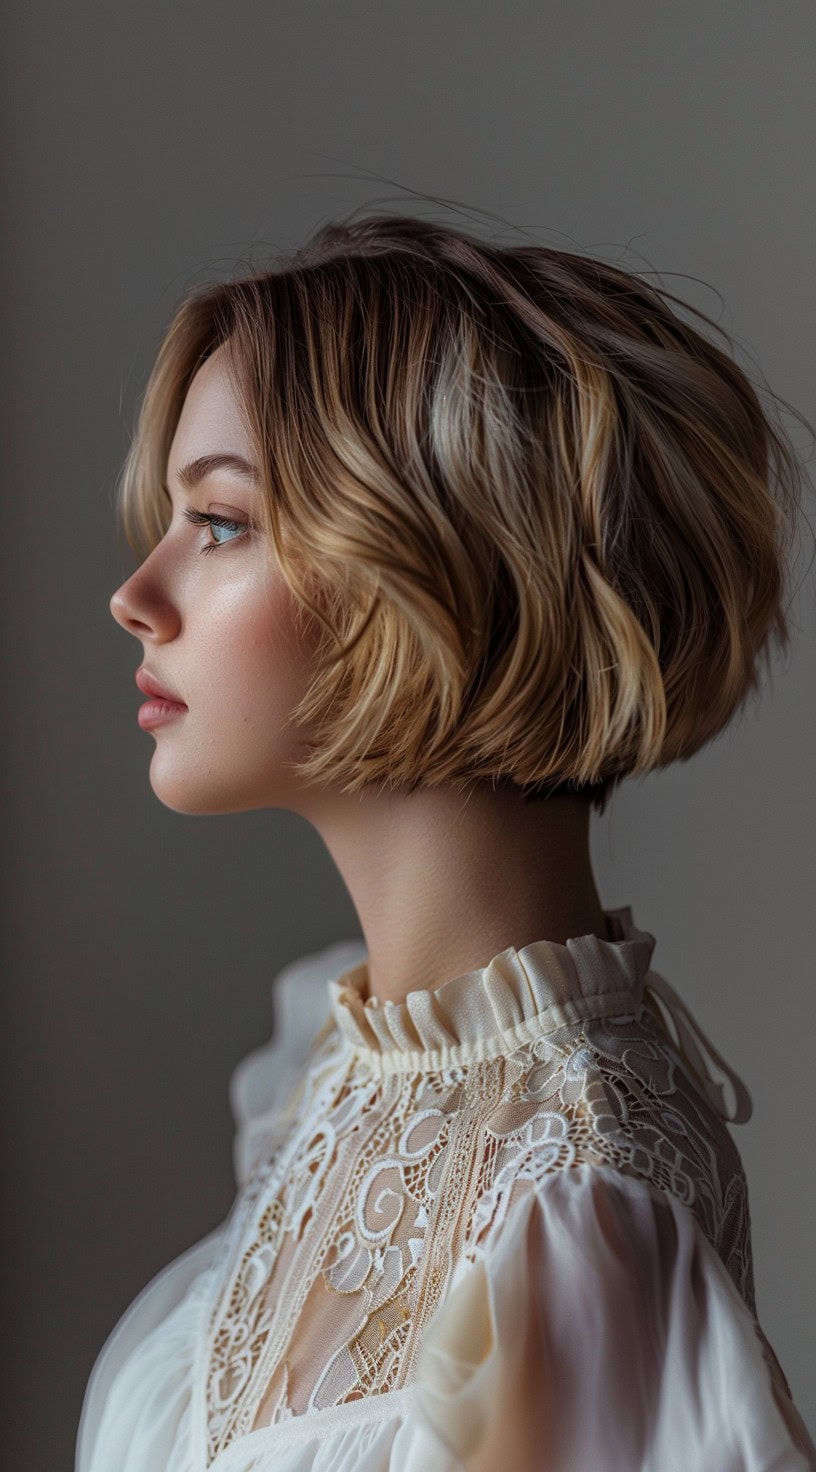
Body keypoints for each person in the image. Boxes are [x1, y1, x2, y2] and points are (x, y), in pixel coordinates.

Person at [79, 212, 816, 1470]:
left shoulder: (576, 1211)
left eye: (218, 523)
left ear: (434, 566)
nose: (134, 597)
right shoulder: (330, 1064)